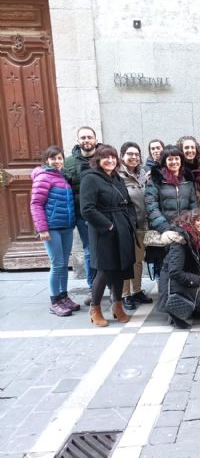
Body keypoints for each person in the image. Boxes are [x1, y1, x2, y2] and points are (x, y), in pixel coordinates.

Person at [80, 145, 137, 327]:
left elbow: (127, 202)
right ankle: (95, 309)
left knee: (121, 269)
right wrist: (108, 225)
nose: (110, 160)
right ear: (98, 159)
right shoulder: (90, 179)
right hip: (103, 230)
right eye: (106, 157)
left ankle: (117, 306)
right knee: (104, 270)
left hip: (122, 227)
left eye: (113, 157)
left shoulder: (116, 178)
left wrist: (131, 221)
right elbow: (87, 209)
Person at [30, 146, 78, 317]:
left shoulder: (62, 177)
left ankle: (63, 296)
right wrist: (42, 228)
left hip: (66, 226)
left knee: (64, 263)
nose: (57, 161)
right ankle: (54, 301)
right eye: (53, 158)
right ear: (46, 160)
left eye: (59, 158)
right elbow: (36, 204)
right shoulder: (43, 177)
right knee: (57, 264)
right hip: (51, 228)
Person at [159, 209, 200, 328]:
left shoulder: (196, 238)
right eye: (198, 220)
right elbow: (174, 272)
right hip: (173, 285)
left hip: (185, 280)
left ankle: (186, 308)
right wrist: (198, 280)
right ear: (190, 220)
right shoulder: (181, 241)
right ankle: (178, 309)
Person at [63, 125, 98, 302]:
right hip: (82, 215)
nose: (86, 140)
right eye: (83, 138)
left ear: (95, 140)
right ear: (78, 141)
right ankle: (93, 289)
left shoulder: (103, 158)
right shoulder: (68, 163)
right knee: (90, 251)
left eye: (89, 137)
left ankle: (115, 288)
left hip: (104, 213)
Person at [118, 142, 151, 310]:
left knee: (138, 260)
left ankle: (137, 290)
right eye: (130, 154)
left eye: (136, 154)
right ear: (122, 156)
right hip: (125, 225)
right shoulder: (117, 175)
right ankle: (125, 294)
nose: (133, 157)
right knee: (126, 260)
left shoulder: (143, 173)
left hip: (141, 223)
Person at [145, 146, 198, 233]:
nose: (174, 162)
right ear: (165, 162)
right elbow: (152, 207)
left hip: (186, 228)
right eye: (170, 159)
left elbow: (193, 205)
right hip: (164, 229)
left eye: (177, 158)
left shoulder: (188, 180)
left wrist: (190, 225)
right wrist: (165, 228)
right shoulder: (156, 180)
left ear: (181, 160)